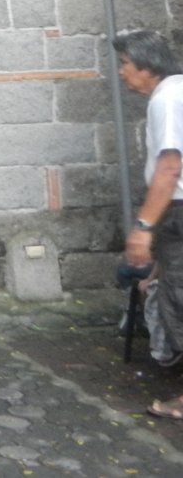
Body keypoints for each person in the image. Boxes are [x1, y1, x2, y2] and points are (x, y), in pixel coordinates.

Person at [114, 30, 183, 420]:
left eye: (125, 63)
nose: (122, 73)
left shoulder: (168, 98)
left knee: (179, 301)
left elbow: (170, 166)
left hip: (179, 210)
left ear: (147, 65)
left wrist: (143, 227)